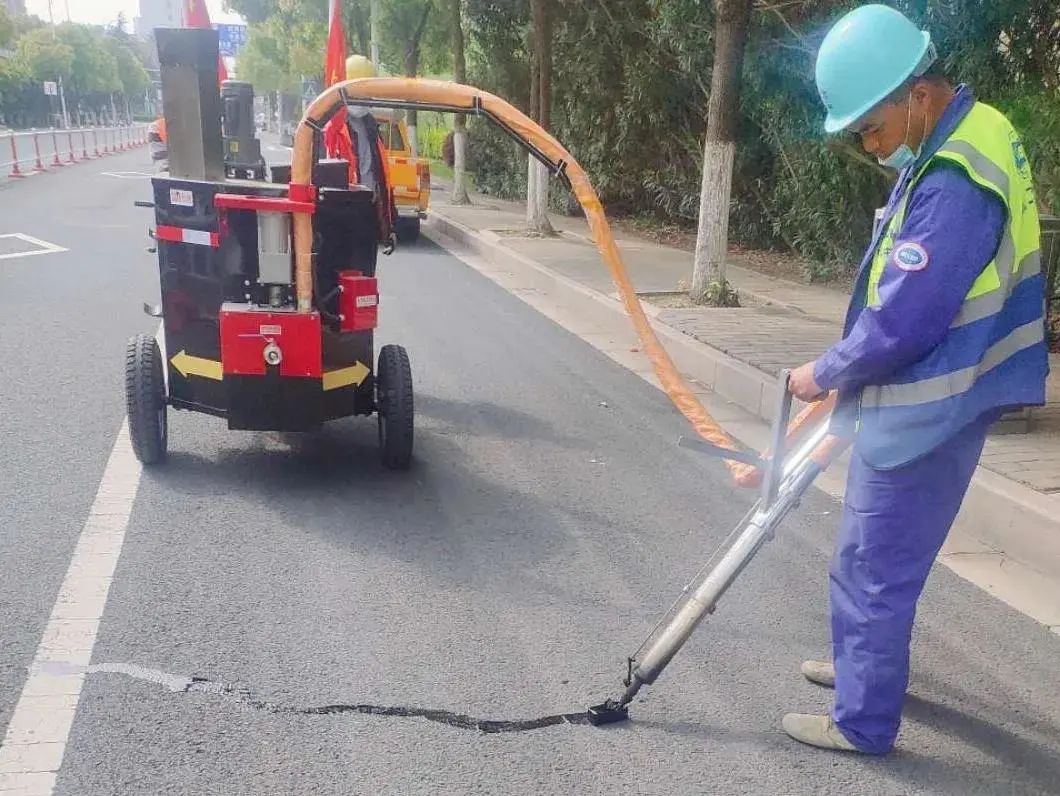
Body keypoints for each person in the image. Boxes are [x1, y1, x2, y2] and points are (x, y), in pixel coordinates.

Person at [782, 4, 1049, 755]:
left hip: (932, 396)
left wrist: (824, 372)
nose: (870, 146)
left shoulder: (955, 179)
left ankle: (861, 721)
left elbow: (906, 318)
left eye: (872, 127)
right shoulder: (975, 130)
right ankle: (858, 667)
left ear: (918, 94)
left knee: (873, 562)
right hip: (954, 387)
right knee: (883, 555)